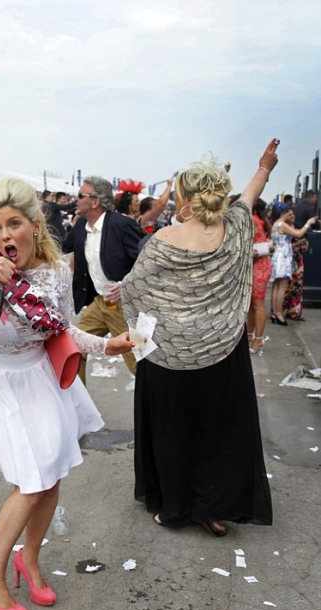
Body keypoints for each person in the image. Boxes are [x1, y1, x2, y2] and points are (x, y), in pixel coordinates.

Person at [0, 177, 132, 610]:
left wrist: (108, 345)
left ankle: (29, 559)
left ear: (35, 225)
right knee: (32, 482)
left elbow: (63, 330)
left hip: (40, 377)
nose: (3, 237)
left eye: (13, 225)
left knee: (51, 476)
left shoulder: (56, 271)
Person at [121, 139, 280, 537]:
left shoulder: (163, 241)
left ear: (184, 197)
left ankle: (175, 509)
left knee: (175, 431)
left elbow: (134, 294)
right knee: (217, 431)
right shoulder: (237, 227)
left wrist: (142, 350)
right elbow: (249, 195)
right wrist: (265, 166)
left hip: (169, 357)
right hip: (224, 349)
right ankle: (213, 509)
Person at [61, 176, 141, 384]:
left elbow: (145, 261)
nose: (75, 199)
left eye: (81, 195)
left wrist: (126, 284)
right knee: (73, 346)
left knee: (140, 360)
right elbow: (60, 246)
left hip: (125, 305)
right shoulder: (81, 226)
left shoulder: (122, 225)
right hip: (101, 302)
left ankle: (161, 406)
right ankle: (78, 406)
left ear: (95, 201)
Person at [269, 202, 317, 325]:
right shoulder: (282, 225)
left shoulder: (275, 224)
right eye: (287, 211)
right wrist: (308, 223)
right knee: (282, 286)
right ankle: (279, 313)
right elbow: (298, 234)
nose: (290, 213)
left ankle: (274, 312)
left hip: (278, 256)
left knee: (276, 286)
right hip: (284, 257)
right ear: (282, 213)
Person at [246, 197, 271, 354]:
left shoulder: (252, 220)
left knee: (256, 304)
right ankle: (250, 336)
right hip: (261, 265)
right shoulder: (259, 220)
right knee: (253, 305)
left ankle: (258, 339)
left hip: (258, 266)